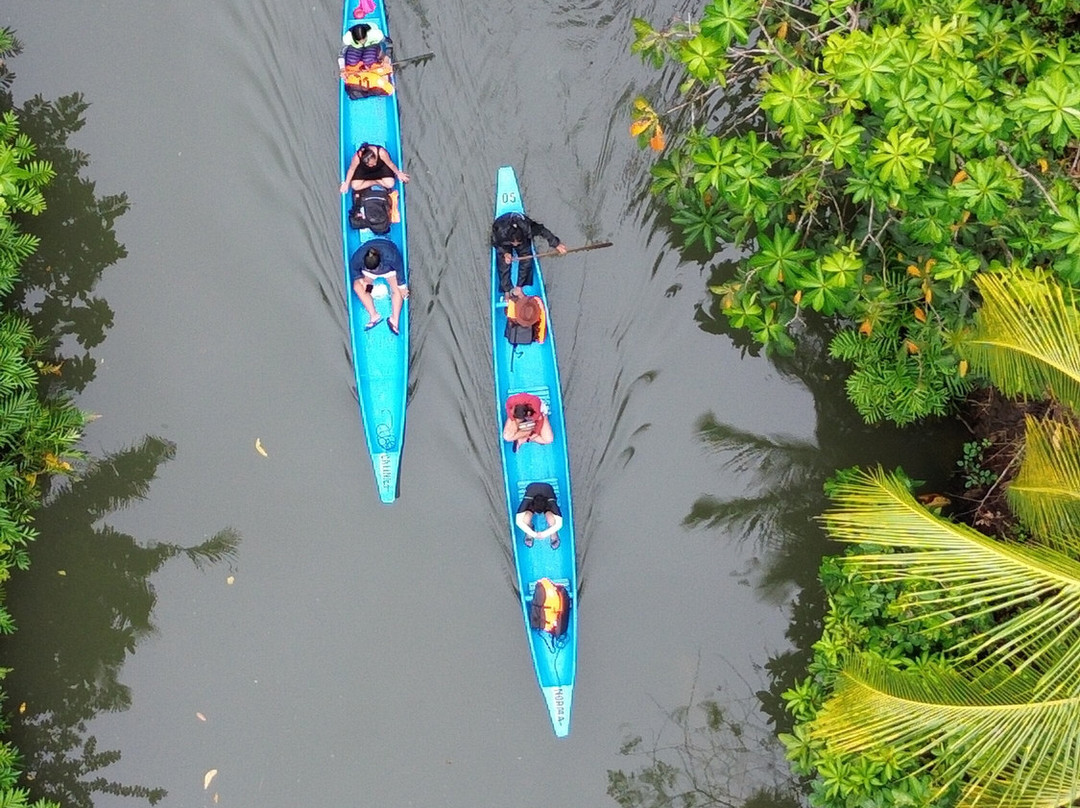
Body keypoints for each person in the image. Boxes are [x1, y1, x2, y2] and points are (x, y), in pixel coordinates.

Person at [491, 212, 567, 300]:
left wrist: (556, 244)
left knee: (526, 259)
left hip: (523, 240)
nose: (515, 245)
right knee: (504, 262)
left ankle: (520, 287)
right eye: (514, 243)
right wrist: (505, 253)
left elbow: (542, 230)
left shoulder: (527, 228)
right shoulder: (500, 232)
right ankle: (506, 290)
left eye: (517, 243)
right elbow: (495, 242)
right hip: (505, 242)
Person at [348, 238, 408, 335]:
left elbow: (400, 269)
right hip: (368, 273)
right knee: (359, 287)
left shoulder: (391, 256)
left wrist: (402, 286)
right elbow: (353, 267)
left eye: (374, 269)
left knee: (397, 291)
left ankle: (394, 320)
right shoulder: (359, 256)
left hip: (389, 271)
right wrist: (360, 279)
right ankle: (374, 315)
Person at [338, 23, 394, 99]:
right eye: (359, 40)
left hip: (371, 46)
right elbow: (341, 54)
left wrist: (387, 57)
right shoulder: (348, 38)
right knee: (351, 62)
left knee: (369, 60)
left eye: (364, 39)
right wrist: (342, 69)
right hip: (356, 48)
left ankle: (374, 60)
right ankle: (362, 65)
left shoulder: (376, 34)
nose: (362, 42)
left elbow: (389, 43)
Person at [340, 144, 409, 195]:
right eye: (370, 164)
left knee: (390, 184)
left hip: (381, 168)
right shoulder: (357, 158)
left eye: (374, 162)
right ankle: (373, 182)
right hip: (365, 171)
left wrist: (398, 173)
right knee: (355, 186)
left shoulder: (382, 153)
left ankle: (374, 182)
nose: (373, 165)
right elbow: (351, 169)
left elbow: (390, 164)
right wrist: (346, 183)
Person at [516, 482, 563, 549]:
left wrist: (544, 534)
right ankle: (529, 528)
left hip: (547, 493)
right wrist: (533, 534)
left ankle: (554, 534)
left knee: (552, 520)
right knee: (525, 519)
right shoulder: (527, 500)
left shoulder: (551, 502)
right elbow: (518, 521)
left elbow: (559, 523)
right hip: (532, 492)